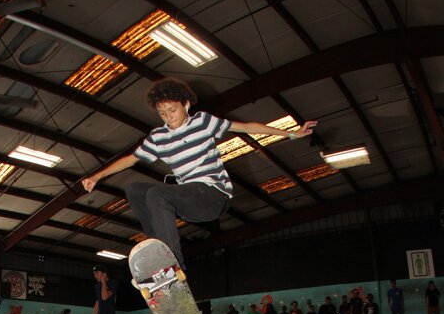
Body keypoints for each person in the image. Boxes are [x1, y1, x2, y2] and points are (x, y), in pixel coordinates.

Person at [81, 78, 317, 269]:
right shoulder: (158, 137)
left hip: (213, 196)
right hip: (189, 200)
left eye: (172, 110)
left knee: (156, 194)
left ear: (185, 105)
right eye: (162, 113)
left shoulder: (203, 122)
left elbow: (246, 127)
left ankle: (174, 265)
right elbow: (130, 159)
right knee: (135, 189)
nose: (168, 117)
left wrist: (291, 134)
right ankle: (157, 250)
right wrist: (98, 176)